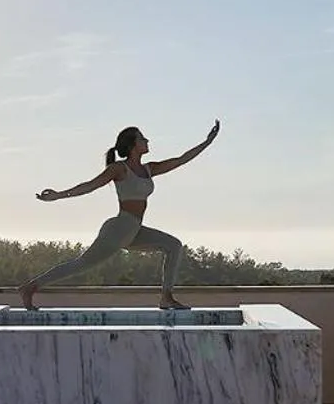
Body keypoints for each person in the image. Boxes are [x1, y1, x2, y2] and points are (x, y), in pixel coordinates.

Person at [21, 120, 221, 311]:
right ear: (133, 145)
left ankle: (166, 298)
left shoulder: (149, 169)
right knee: (82, 264)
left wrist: (207, 142)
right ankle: (30, 287)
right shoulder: (119, 168)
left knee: (174, 245)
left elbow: (181, 160)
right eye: (142, 138)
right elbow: (90, 185)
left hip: (134, 230)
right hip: (120, 229)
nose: (147, 141)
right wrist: (58, 195)